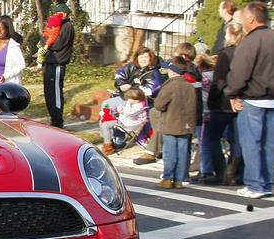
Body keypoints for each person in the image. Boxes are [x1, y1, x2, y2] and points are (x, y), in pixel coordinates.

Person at [225, 2, 274, 199]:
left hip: (254, 99)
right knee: (269, 144)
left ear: (252, 19)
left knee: (251, 144)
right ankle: (266, 183)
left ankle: (255, 184)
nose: (243, 21)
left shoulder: (250, 41)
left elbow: (239, 73)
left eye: (244, 17)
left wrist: (233, 94)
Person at [200, 21, 245, 185]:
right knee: (236, 140)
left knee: (211, 138)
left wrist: (212, 101)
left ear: (231, 35)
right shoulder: (246, 52)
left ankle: (221, 173)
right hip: (241, 100)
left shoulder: (226, 54)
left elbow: (219, 80)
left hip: (223, 102)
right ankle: (235, 174)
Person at [155, 57, 198, 189]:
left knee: (170, 154)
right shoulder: (190, 86)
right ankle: (179, 180)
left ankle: (168, 178)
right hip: (186, 125)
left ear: (172, 71)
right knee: (182, 153)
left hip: (170, 125)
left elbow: (159, 105)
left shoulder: (170, 86)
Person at [42, 7, 74, 128]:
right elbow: (43, 39)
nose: (56, 15)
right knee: (48, 93)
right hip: (48, 62)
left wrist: (48, 43)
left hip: (58, 63)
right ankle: (53, 118)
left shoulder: (67, 26)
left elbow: (58, 44)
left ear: (65, 13)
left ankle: (58, 121)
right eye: (54, 12)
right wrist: (46, 40)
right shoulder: (55, 25)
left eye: (58, 12)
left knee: (55, 93)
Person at [99, 87, 149, 154]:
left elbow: (129, 113)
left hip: (128, 125)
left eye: (129, 99)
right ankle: (110, 142)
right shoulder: (141, 103)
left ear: (134, 99)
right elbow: (129, 112)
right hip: (129, 123)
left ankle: (108, 146)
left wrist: (123, 108)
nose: (128, 100)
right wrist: (122, 110)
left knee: (105, 124)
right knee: (106, 120)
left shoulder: (138, 106)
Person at [0, 19, 25, 86]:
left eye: (2, 28)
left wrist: (5, 76)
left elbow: (21, 65)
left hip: (8, 84)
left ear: (6, 30)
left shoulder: (13, 46)